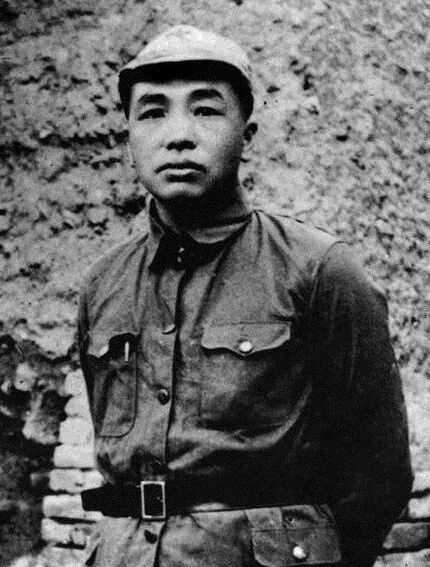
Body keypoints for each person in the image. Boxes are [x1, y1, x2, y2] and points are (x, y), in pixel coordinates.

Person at [77, 25, 412, 567]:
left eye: (206, 110)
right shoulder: (103, 284)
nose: (178, 135)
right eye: (153, 112)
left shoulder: (318, 269)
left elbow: (380, 473)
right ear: (129, 135)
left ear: (247, 134)